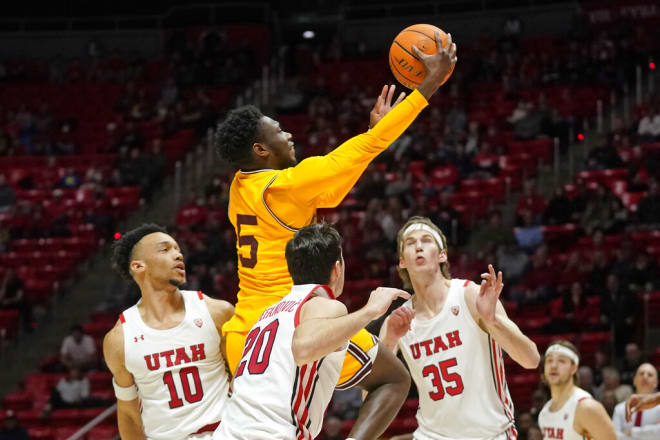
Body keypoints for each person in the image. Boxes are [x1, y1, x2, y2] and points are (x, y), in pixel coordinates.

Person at [214, 30, 456, 435]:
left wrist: (374, 133)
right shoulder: (287, 184)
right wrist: (428, 84)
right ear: (260, 149)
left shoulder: (241, 186)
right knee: (392, 379)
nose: (288, 134)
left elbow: (337, 182)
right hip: (293, 322)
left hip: (245, 336)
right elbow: (362, 152)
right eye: (278, 130)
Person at [215, 223, 411, 440]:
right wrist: (369, 311)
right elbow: (303, 347)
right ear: (337, 269)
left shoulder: (267, 315)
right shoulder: (326, 306)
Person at [379, 216, 540, 439]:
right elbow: (371, 393)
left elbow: (531, 359)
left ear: (442, 254)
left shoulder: (470, 295)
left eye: (426, 240)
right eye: (410, 242)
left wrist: (493, 320)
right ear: (402, 261)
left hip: (490, 434)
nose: (418, 246)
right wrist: (389, 342)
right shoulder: (397, 321)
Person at [103, 224, 234, 439]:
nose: (178, 255)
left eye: (178, 249)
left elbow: (243, 380)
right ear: (138, 266)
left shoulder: (217, 312)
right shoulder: (119, 340)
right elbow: (128, 414)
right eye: (165, 250)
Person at [538, 340, 616, 440]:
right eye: (549, 361)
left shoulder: (586, 407)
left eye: (561, 361)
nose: (553, 366)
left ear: (574, 368)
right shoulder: (545, 411)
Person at [613, 363, 660, 439]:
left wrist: (632, 432)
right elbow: (614, 436)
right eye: (641, 374)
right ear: (634, 380)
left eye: (650, 375)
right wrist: (651, 431)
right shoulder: (620, 408)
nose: (645, 377)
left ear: (656, 383)